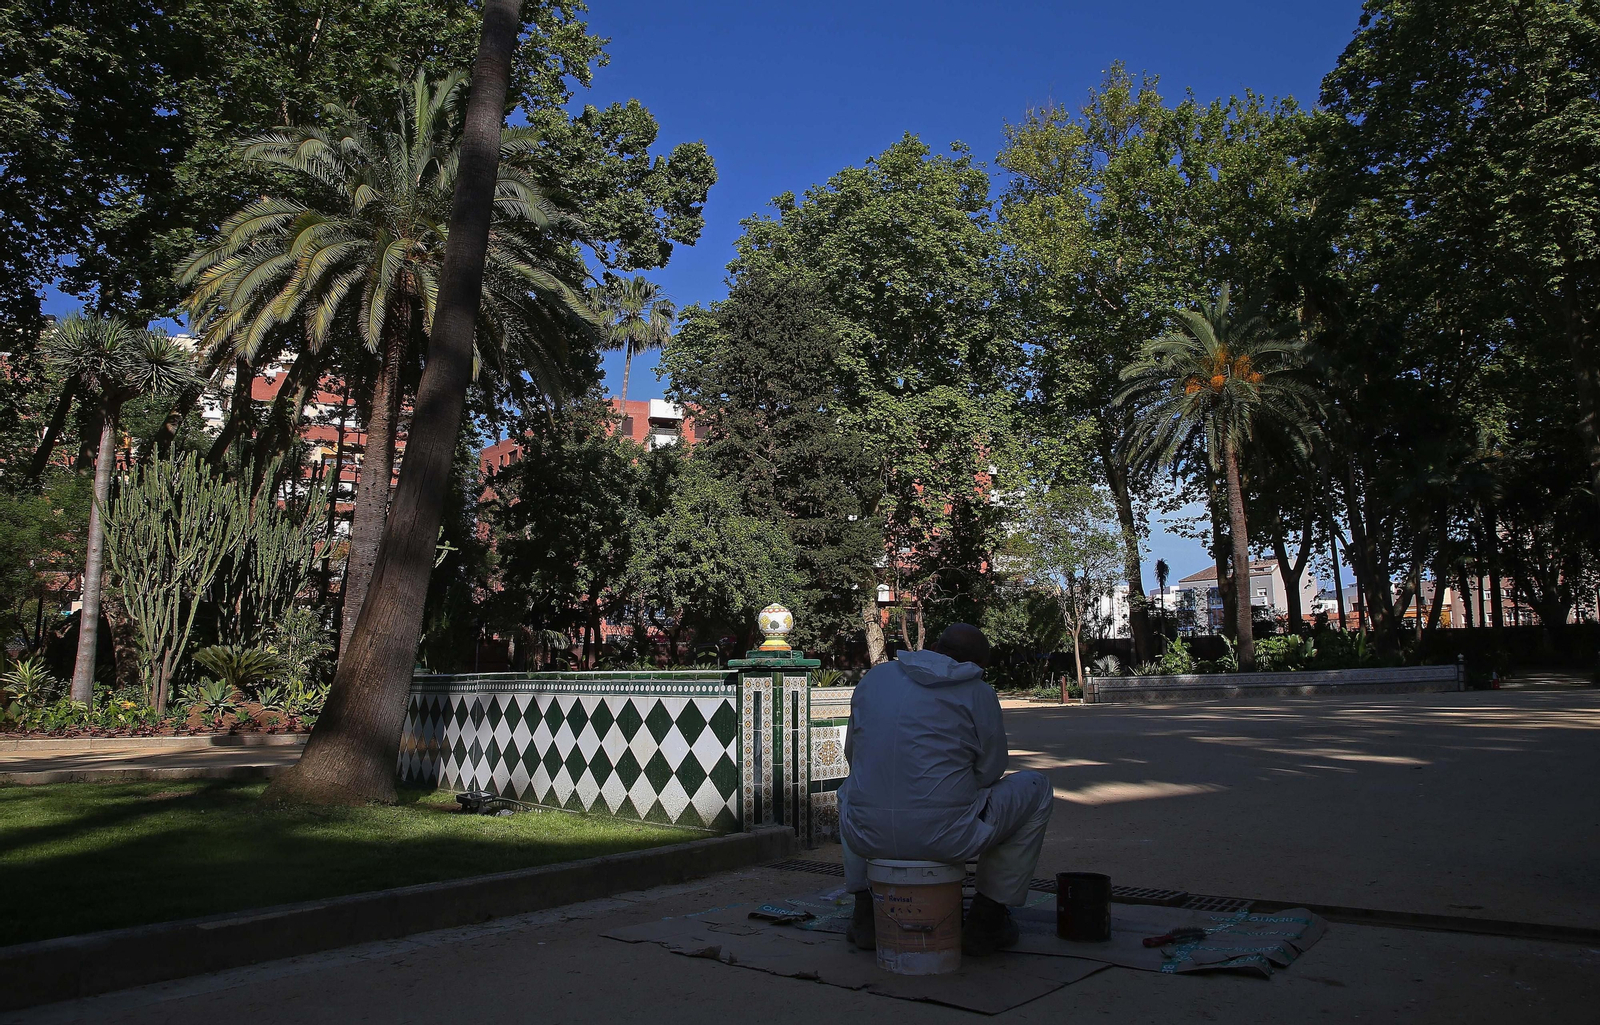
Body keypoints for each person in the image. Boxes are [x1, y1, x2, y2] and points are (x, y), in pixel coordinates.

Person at [837, 623, 1053, 956]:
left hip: (865, 835)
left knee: (850, 790)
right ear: (978, 665)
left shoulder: (874, 679)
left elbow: (854, 755)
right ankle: (987, 919)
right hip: (948, 839)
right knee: (1037, 788)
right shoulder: (978, 692)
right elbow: (991, 770)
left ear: (936, 646)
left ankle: (865, 912)